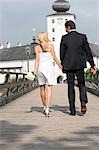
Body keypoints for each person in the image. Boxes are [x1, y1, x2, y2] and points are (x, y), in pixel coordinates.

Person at [60, 20, 96, 116]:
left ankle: (72, 110)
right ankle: (83, 102)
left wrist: (63, 65)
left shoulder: (64, 38)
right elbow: (88, 52)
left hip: (69, 66)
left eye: (65, 28)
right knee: (81, 84)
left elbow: (62, 54)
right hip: (80, 65)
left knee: (70, 86)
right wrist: (92, 65)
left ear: (68, 27)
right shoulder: (82, 37)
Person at [34, 32, 62, 117]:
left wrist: (35, 70)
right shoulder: (50, 46)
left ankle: (44, 105)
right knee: (49, 88)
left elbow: (37, 59)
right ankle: (47, 107)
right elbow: (54, 57)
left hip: (40, 69)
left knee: (42, 88)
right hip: (49, 69)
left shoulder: (37, 48)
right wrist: (60, 65)